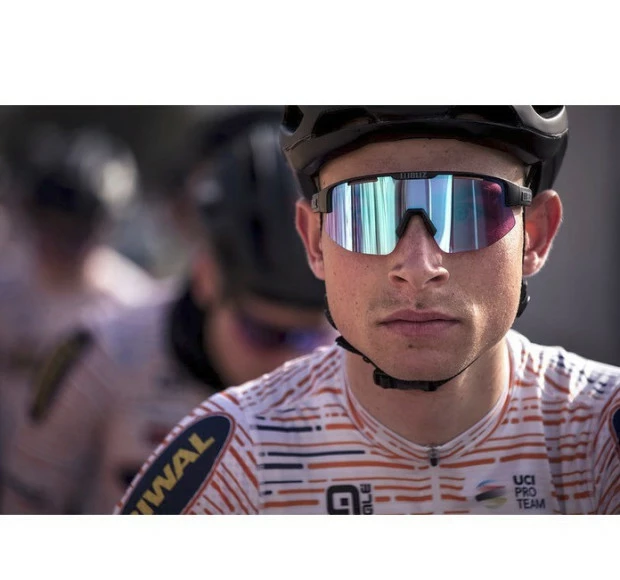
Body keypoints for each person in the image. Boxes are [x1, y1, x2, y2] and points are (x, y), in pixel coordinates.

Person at [113, 105, 620, 516]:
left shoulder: (602, 435)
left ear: (536, 234)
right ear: (314, 242)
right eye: (365, 214)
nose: (418, 268)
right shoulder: (237, 454)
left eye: (468, 210)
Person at [1, 107, 333, 514]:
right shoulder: (103, 355)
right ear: (206, 278)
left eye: (311, 338)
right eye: (263, 333)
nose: (289, 360)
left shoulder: (354, 372)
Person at [0, 124, 159, 478]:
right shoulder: (7, 290)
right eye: (50, 226)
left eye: (76, 231)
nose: (61, 243)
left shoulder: (134, 306)